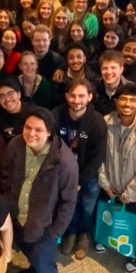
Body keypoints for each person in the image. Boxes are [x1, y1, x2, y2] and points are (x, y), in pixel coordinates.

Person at [2, 107, 78, 273]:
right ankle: (34, 267)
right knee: (27, 248)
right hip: (17, 216)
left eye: (38, 130)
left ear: (49, 132)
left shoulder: (64, 161)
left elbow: (68, 201)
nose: (31, 134)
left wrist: (54, 232)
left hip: (43, 225)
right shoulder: (15, 145)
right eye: (28, 127)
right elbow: (6, 174)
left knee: (45, 264)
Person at [98, 84, 136, 273]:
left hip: (135, 191)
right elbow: (98, 157)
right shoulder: (105, 123)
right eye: (123, 99)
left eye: (132, 100)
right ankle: (107, 238)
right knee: (110, 214)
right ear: (116, 101)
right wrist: (105, 184)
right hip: (110, 184)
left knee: (134, 222)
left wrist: (130, 193)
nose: (127, 104)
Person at [53, 79, 107, 260]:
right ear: (66, 96)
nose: (77, 100)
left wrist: (80, 181)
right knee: (67, 205)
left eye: (81, 96)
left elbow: (98, 156)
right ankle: (70, 232)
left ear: (90, 97)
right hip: (63, 174)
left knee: (87, 207)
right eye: (73, 95)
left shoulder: (97, 121)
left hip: (88, 175)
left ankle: (83, 235)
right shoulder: (56, 115)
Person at [0, 78, 33, 142]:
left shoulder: (35, 113)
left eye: (10, 93)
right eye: (2, 96)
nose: (7, 99)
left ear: (19, 94)